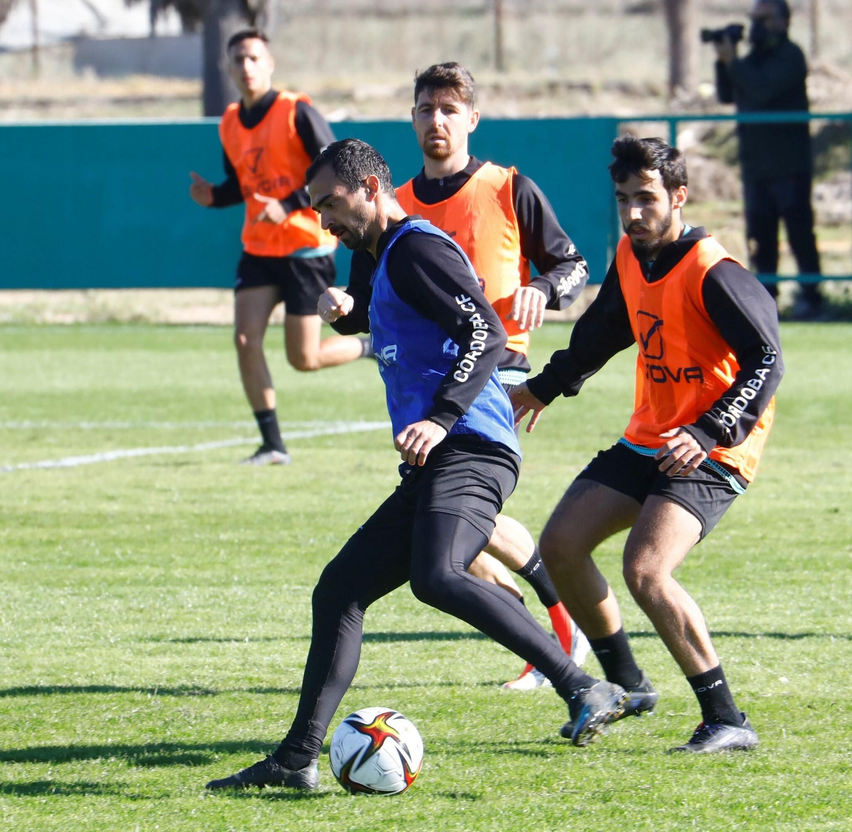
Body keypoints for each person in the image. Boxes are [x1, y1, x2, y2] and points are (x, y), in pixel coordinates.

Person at [205, 140, 626, 793]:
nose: (324, 221)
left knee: (437, 575)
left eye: (331, 204)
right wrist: (348, 314)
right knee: (339, 591)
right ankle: (295, 761)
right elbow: (406, 334)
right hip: (443, 454)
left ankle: (581, 686)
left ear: (371, 188)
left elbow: (483, 331)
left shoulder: (417, 247)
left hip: (473, 445)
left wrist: (441, 414)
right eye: (316, 209)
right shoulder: (380, 258)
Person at [510, 136, 783, 753]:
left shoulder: (715, 271)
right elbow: (605, 330)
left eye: (647, 199)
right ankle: (627, 684)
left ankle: (727, 718)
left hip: (714, 449)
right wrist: (544, 388)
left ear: (678, 197)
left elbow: (767, 361)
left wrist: (710, 429)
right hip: (650, 438)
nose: (634, 214)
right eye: (623, 200)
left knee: (646, 569)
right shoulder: (632, 257)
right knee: (561, 546)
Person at [395, 62, 593, 690]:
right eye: (427, 108)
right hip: (425, 386)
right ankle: (550, 637)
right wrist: (346, 310)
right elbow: (370, 289)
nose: (437, 120)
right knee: (455, 538)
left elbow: (574, 266)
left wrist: (542, 286)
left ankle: (556, 632)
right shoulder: (397, 203)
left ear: (472, 120)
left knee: (454, 525)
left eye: (451, 109)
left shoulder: (508, 187)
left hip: (491, 374)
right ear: (414, 119)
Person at [188, 28, 369, 466]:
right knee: (245, 338)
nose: (246, 67)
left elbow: (335, 167)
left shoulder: (296, 110)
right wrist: (214, 195)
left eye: (253, 58)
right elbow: (243, 186)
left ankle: (371, 346)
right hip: (259, 248)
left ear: (269, 64)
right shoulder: (230, 121)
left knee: (303, 359)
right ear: (228, 69)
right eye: (238, 60)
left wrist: (289, 203)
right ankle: (272, 444)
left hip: (305, 248)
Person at [714, 0, 824, 319]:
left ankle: (812, 297)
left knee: (799, 233)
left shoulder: (791, 56)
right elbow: (726, 94)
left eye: (764, 20)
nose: (758, 27)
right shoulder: (751, 61)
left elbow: (763, 91)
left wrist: (734, 63)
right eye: (754, 20)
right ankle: (766, 302)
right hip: (756, 166)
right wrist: (725, 62)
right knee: (761, 237)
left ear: (783, 21)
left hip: (789, 165)